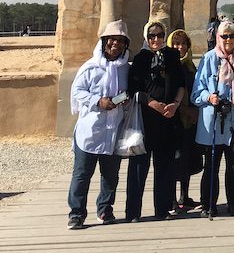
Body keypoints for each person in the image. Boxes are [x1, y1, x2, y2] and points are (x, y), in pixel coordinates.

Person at [67, 20, 130, 230]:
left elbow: (131, 91)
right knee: (82, 174)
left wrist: (125, 99)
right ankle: (76, 213)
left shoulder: (125, 69)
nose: (115, 44)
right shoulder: (90, 67)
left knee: (110, 175)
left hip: (114, 129)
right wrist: (98, 101)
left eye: (120, 41)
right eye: (112, 39)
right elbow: (77, 92)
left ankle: (105, 209)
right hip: (90, 130)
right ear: (104, 41)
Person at [191, 19, 234, 216]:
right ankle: (208, 204)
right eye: (224, 36)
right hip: (214, 120)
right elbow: (196, 92)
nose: (228, 39)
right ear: (218, 37)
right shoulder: (209, 58)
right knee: (211, 165)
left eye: (232, 35)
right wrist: (209, 97)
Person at [125, 20, 185, 222]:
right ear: (146, 37)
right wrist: (153, 103)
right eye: (152, 36)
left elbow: (181, 83)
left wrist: (175, 104)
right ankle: (133, 212)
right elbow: (134, 88)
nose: (156, 39)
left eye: (160, 35)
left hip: (168, 118)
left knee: (165, 167)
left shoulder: (172, 56)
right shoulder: (140, 58)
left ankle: (163, 209)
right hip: (145, 119)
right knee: (138, 167)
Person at [167, 29, 203, 212]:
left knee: (188, 158)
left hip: (190, 120)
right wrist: (183, 110)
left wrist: (194, 111)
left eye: (183, 43)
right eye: (175, 43)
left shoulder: (190, 66)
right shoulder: (168, 66)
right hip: (174, 119)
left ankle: (184, 196)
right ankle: (172, 199)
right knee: (176, 158)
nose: (179, 47)